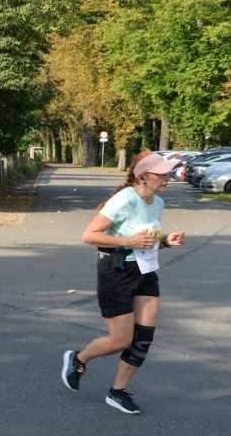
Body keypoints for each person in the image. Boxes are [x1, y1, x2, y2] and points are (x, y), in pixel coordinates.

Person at [61, 152, 186, 414]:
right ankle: (78, 359)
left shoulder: (157, 202)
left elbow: (144, 240)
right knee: (120, 340)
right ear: (142, 177)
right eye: (160, 174)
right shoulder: (124, 199)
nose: (166, 178)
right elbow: (89, 235)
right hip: (116, 272)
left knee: (143, 340)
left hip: (145, 269)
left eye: (167, 173)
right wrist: (128, 242)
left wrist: (164, 242)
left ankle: (117, 392)